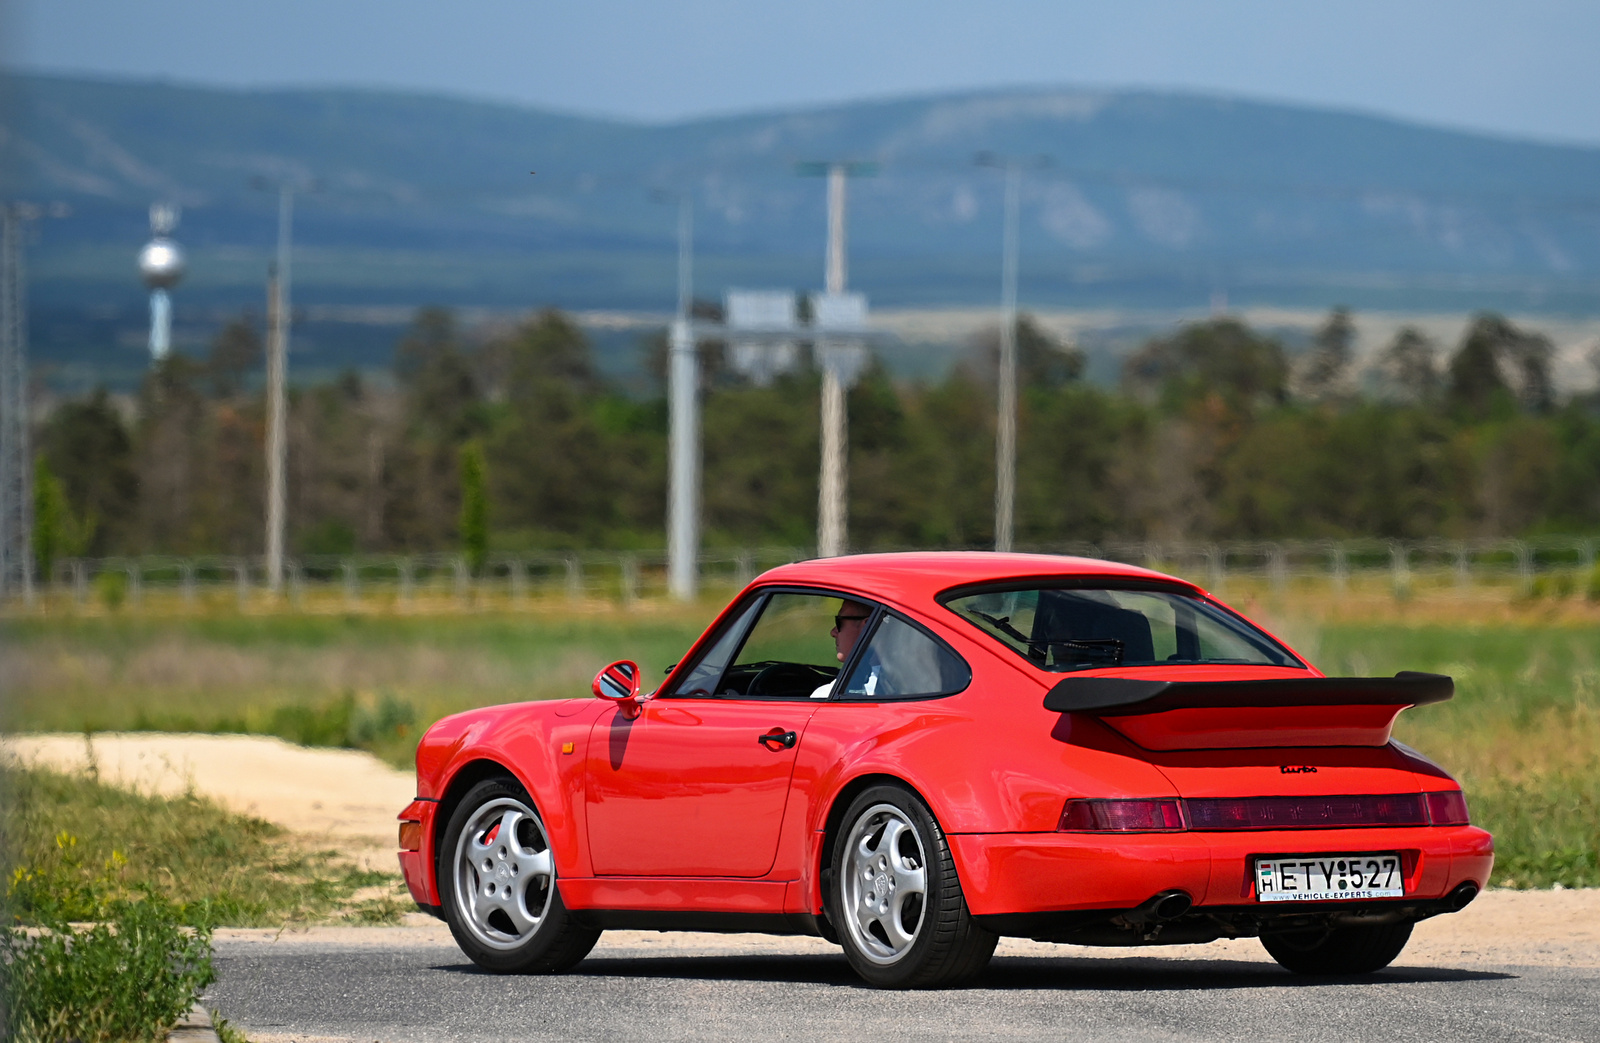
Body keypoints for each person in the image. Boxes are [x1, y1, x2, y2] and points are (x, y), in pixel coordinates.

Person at [811, 599, 872, 699]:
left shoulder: (824, 696)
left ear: (867, 626)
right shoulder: (897, 679)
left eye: (839, 622)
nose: (833, 632)